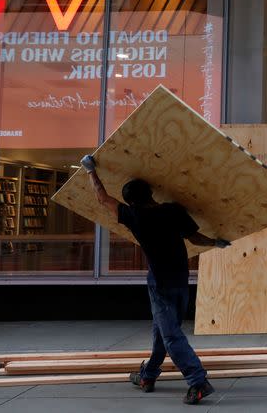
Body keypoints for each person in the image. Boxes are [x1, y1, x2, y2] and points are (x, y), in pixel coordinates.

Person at [81, 154, 231, 405]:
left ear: (130, 201)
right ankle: (148, 376)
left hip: (160, 284)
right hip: (181, 282)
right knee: (162, 332)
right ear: (151, 193)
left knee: (170, 335)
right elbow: (196, 238)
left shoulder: (134, 217)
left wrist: (90, 171)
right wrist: (217, 242)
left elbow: (102, 198)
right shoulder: (173, 210)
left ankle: (197, 381)